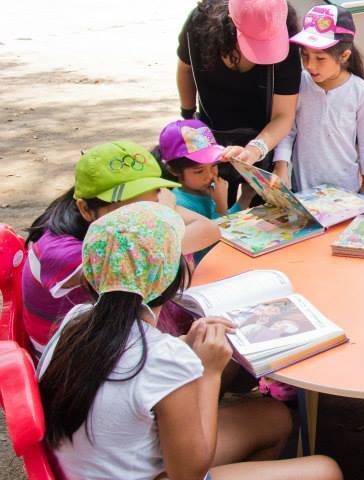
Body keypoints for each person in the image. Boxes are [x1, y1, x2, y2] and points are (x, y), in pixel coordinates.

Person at [37, 202, 343, 480]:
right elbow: (187, 474)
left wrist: (188, 345)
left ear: (92, 275)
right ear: (172, 280)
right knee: (327, 474)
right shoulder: (164, 359)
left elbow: (131, 368)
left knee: (275, 417)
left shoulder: (76, 322)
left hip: (101, 474)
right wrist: (209, 373)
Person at [21, 141, 220, 355]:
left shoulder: (119, 227)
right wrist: (165, 212)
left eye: (149, 207)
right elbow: (155, 250)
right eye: (129, 210)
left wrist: (161, 215)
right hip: (81, 361)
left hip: (112, 336)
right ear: (85, 209)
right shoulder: (62, 252)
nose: (141, 221)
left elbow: (209, 230)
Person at [175, 0, 300, 203]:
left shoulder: (289, 40)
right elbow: (185, 69)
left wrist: (255, 149)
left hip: (263, 141)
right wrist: (187, 116)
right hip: (210, 135)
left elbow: (284, 114)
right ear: (231, 24)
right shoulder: (200, 25)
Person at [272, 4, 364, 193]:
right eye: (305, 55)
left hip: (346, 191)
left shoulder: (359, 90)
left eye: (320, 59)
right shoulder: (299, 83)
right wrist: (280, 167)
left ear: (344, 56)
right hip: (304, 189)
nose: (310, 65)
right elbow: (287, 131)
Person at [155, 120, 252, 261]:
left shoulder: (204, 191)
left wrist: (245, 197)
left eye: (213, 165)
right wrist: (220, 206)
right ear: (174, 170)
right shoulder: (180, 204)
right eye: (199, 171)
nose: (210, 175)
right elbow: (213, 241)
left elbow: (225, 220)